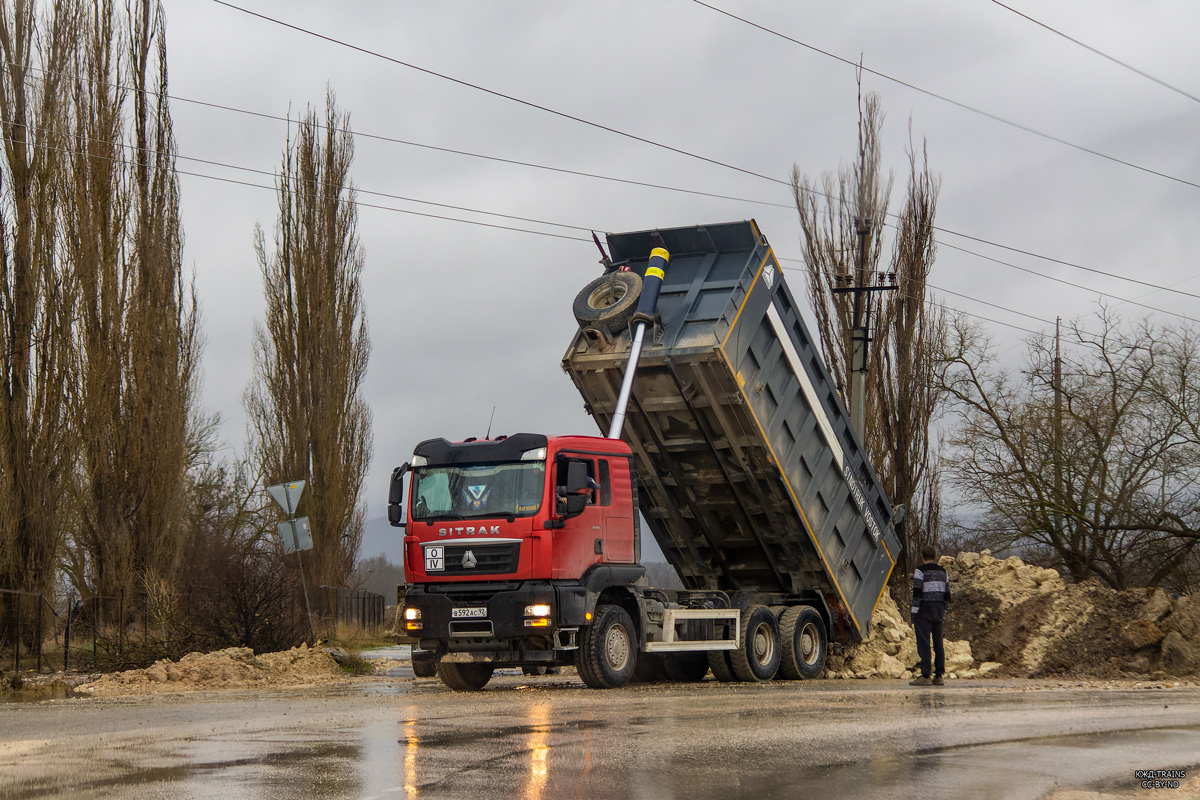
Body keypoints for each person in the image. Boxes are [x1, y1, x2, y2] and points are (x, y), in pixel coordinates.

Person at [909, 544, 951, 686]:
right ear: (935, 557)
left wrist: (914, 612)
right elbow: (947, 594)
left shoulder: (920, 571)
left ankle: (925, 675)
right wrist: (942, 608)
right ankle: (939, 675)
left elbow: (917, 592)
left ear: (922, 557)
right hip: (938, 608)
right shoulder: (943, 572)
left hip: (924, 608)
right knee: (938, 641)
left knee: (924, 641)